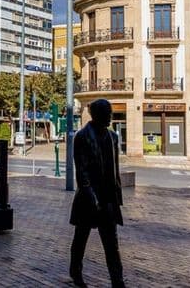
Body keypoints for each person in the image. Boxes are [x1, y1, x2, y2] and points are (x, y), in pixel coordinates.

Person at [69, 99, 125, 288]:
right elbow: (81, 171)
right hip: (89, 198)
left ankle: (117, 280)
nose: (111, 116)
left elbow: (114, 168)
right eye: (108, 113)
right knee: (81, 239)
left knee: (111, 243)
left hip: (108, 198)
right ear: (98, 114)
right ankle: (76, 272)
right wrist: (91, 196)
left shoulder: (113, 136)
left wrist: (116, 196)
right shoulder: (82, 136)